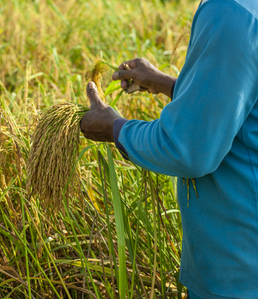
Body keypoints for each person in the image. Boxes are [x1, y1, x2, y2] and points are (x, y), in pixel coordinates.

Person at [80, 0, 258, 298]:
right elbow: (240, 102)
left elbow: (189, 149)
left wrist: (115, 128)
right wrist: (170, 84)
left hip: (240, 272)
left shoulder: (231, 12)